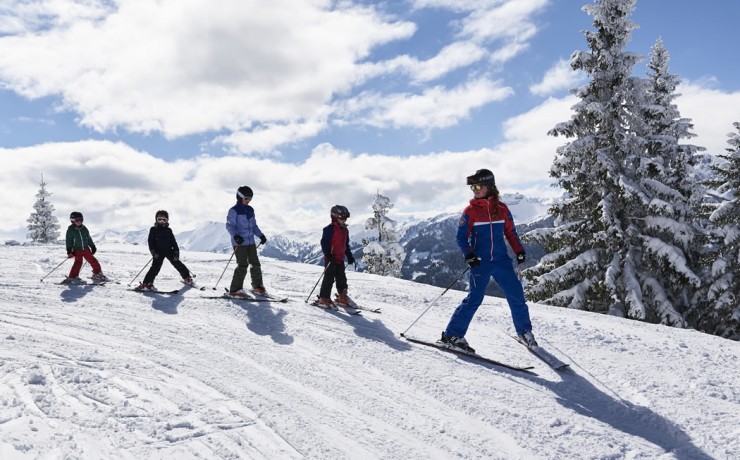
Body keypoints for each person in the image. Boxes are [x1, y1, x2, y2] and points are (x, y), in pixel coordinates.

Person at [440, 169, 537, 352]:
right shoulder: (471, 211)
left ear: (489, 186)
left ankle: (524, 332)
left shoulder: (502, 209)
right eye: (472, 187)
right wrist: (469, 254)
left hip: (502, 260)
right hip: (481, 262)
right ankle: (453, 334)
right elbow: (461, 237)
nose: (474, 190)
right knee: (475, 298)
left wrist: (519, 250)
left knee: (516, 296)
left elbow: (510, 232)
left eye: (478, 186)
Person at [225, 186, 268, 298]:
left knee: (255, 263)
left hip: (250, 242)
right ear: (240, 197)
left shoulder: (250, 210)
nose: (248, 201)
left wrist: (261, 235)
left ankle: (257, 286)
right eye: (246, 198)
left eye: (250, 199)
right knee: (243, 265)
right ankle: (235, 289)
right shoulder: (233, 210)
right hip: (239, 242)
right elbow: (230, 226)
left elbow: (253, 226)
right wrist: (236, 236)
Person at [136, 210, 193, 291]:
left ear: (167, 220)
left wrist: (176, 252)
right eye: (159, 219)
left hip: (169, 250)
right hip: (158, 252)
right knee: (155, 268)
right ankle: (147, 284)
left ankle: (187, 278)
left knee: (178, 264)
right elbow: (150, 242)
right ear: (156, 220)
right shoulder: (153, 229)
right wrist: (153, 252)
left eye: (164, 219)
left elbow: (173, 241)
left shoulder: (168, 230)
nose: (162, 221)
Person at [316, 205, 355, 307]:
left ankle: (342, 296)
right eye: (342, 218)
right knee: (329, 278)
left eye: (345, 218)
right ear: (334, 217)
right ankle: (324, 298)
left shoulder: (345, 230)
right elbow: (324, 242)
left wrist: (349, 256)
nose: (344, 220)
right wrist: (328, 254)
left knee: (341, 278)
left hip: (340, 258)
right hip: (331, 258)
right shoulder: (329, 229)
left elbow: (345, 245)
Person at [63, 211, 108, 284]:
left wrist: (92, 246)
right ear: (72, 220)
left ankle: (97, 274)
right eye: (77, 220)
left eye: (81, 219)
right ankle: (73, 277)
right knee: (78, 263)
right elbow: (69, 241)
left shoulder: (84, 228)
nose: (79, 221)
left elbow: (88, 238)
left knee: (93, 261)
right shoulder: (71, 230)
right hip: (77, 250)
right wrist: (69, 251)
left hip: (86, 249)